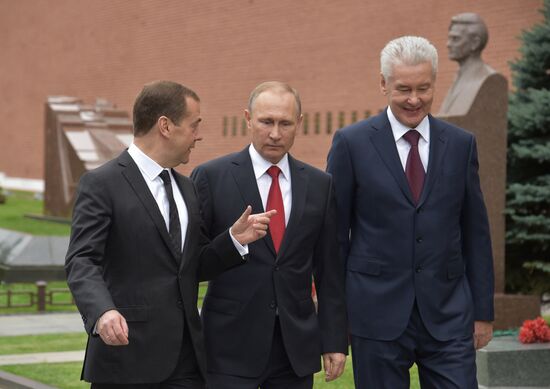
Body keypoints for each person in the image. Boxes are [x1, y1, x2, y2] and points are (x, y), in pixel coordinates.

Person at [65, 80, 275, 388]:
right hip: (126, 358)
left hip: (186, 361)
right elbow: (81, 260)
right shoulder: (101, 184)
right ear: (165, 125)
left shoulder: (187, 188)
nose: (198, 135)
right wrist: (102, 311)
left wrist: (233, 240)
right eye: (194, 125)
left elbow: (190, 266)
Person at [327, 36, 494, 388]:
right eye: (403, 88)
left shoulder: (462, 144)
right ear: (383, 83)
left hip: (448, 314)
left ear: (435, 82)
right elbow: (334, 239)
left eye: (423, 88)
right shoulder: (351, 143)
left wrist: (482, 313)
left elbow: (476, 233)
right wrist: (334, 325)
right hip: (375, 315)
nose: (414, 99)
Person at [191, 81, 348, 389]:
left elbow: (330, 271)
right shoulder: (211, 177)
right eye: (266, 122)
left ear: (299, 124)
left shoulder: (320, 185)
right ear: (248, 119)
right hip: (229, 348)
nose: (275, 133)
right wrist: (233, 242)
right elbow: (191, 265)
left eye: (285, 123)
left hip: (295, 351)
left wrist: (334, 340)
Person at [439, 13, 497, 116]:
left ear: (475, 43)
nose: (448, 44)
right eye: (449, 38)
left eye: (455, 39)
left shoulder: (489, 79)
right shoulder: (458, 77)